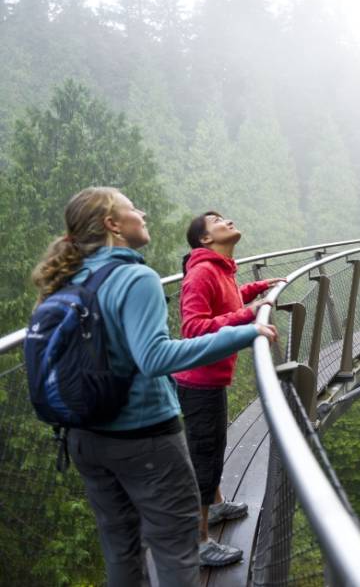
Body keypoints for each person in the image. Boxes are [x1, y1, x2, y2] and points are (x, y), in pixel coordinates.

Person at [31, 187, 278, 585]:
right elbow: (155, 357)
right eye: (132, 209)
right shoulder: (135, 277)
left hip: (82, 436)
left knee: (121, 548)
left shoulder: (68, 277)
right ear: (113, 225)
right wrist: (244, 333)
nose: (142, 213)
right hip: (142, 436)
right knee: (177, 547)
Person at [173, 211, 285, 564]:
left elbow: (228, 299)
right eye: (217, 220)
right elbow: (193, 328)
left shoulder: (220, 268)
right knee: (204, 456)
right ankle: (199, 541)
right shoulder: (202, 272)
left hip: (211, 379)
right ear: (205, 238)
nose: (227, 221)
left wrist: (255, 291)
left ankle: (217, 506)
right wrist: (249, 314)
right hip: (198, 382)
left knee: (212, 448)